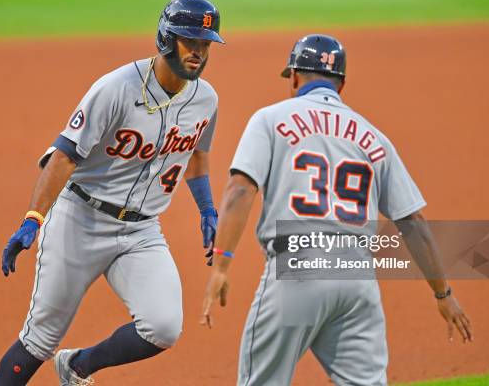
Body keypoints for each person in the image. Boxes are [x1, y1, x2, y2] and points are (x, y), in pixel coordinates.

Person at [200, 34, 473, 386]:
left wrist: (221, 265)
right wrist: (443, 294)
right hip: (357, 280)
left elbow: (240, 189)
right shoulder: (375, 138)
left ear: (295, 77)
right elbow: (413, 222)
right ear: (341, 83)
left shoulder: (270, 119)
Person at [0, 0, 224, 386]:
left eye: (205, 44)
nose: (199, 52)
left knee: (163, 327)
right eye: (190, 41)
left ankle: (78, 366)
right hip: (79, 219)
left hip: (141, 232)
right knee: (39, 340)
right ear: (166, 39)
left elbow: (196, 153)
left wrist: (207, 208)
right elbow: (64, 156)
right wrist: (33, 219)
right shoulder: (116, 88)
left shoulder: (206, 99)